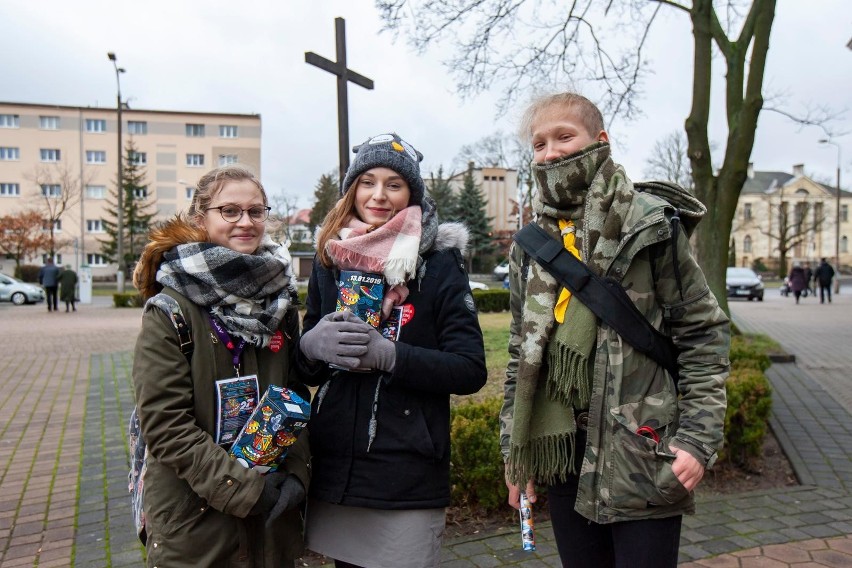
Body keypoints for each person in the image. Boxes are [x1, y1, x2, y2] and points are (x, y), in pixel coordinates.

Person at [500, 93, 730, 568]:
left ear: (600, 140)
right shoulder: (531, 244)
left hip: (643, 450)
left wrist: (697, 440)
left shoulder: (650, 225)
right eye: (539, 144)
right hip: (563, 450)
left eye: (565, 136)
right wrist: (515, 451)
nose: (551, 152)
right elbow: (521, 354)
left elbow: (702, 334)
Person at [298, 133, 487, 568]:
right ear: (352, 189)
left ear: (411, 194)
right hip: (339, 464)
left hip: (407, 469)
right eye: (367, 181)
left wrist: (391, 356)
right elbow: (308, 371)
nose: (378, 195)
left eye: (393, 184)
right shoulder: (331, 261)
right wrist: (310, 347)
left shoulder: (438, 265)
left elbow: (470, 369)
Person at [131, 165, 310, 567]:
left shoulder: (279, 304)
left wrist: (297, 474)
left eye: (256, 211)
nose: (245, 222)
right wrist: (243, 489)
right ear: (201, 219)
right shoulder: (171, 309)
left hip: (271, 521)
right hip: (195, 522)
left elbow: (295, 394)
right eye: (229, 211)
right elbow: (164, 425)